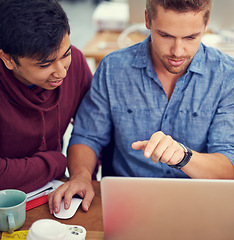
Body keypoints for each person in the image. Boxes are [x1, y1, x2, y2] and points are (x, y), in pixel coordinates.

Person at [48, 0, 234, 214]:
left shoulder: (226, 76)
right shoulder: (112, 68)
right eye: (165, 35)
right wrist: (80, 177)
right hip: (127, 202)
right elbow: (88, 136)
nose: (178, 51)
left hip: (200, 203)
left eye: (191, 37)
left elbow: (228, 167)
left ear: (206, 24)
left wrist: (184, 157)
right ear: (147, 19)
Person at [0, 0, 92, 193]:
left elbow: (93, 130)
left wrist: (80, 175)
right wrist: (56, 162)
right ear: (8, 59)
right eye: (44, 65)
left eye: (65, 55)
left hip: (55, 188)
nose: (61, 73)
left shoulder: (75, 62)